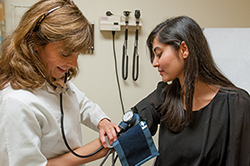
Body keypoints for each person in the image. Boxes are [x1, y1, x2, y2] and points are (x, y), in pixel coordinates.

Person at [0, 0, 120, 166]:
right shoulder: (16, 102)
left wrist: (103, 122)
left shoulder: (52, 79)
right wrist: (95, 150)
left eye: (77, 54)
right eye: (65, 54)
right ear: (34, 42)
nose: (74, 64)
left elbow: (81, 103)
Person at [131, 16, 250, 165]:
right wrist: (104, 125)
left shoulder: (236, 104)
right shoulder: (164, 97)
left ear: (184, 49)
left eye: (159, 54)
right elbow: (121, 142)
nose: (155, 63)